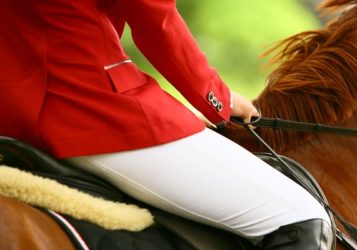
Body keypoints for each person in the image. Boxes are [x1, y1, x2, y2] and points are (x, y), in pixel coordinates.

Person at [0, 0, 333, 249]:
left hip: (15, 115)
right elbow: (156, 19)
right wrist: (218, 97)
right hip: (91, 111)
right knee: (301, 215)